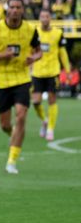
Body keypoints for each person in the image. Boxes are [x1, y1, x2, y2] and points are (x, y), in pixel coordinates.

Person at [0, 0, 41, 174]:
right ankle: (14, 136)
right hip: (2, 81)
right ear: (7, 9)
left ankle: (12, 161)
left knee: (21, 116)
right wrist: (0, 56)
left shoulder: (30, 29)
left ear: (23, 10)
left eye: (18, 7)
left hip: (22, 79)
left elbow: (39, 52)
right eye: (12, 7)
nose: (15, 10)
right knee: (5, 125)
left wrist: (33, 58)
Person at [31, 9, 70, 141]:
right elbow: (30, 51)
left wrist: (67, 71)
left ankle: (50, 129)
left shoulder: (58, 33)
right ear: (39, 18)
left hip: (53, 72)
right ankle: (45, 120)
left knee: (52, 100)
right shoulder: (35, 32)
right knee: (36, 102)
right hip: (37, 72)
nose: (44, 19)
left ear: (50, 18)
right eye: (42, 16)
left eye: (46, 16)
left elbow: (63, 53)